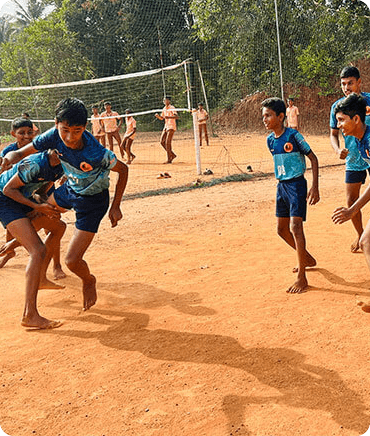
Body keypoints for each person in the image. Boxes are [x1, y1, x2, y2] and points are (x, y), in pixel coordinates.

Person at [0, 97, 129, 319]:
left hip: (93, 202)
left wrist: (116, 206)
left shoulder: (96, 153)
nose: (69, 138)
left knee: (72, 261)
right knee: (44, 214)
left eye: (77, 131)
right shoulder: (49, 141)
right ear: (56, 124)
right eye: (65, 130)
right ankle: (17, 244)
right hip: (69, 190)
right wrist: (8, 158)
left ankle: (88, 280)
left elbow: (123, 169)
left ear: (85, 128)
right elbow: (20, 154)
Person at [0, 149, 67, 329]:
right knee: (37, 251)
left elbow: (43, 188)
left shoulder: (62, 164)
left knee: (59, 227)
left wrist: (42, 204)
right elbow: (7, 190)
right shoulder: (36, 163)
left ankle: (41, 279)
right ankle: (30, 315)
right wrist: (36, 205)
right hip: (5, 198)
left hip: (23, 198)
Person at [261, 97, 320, 294]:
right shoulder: (270, 141)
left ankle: (302, 277)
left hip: (296, 185)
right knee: (281, 229)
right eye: (263, 116)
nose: (265, 119)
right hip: (282, 187)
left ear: (280, 116)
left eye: (268, 115)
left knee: (296, 227)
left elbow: (313, 158)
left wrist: (314, 187)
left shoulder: (294, 136)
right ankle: (307, 259)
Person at [0, 117, 66, 279]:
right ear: (13, 134)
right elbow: (7, 166)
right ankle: (10, 251)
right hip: (17, 192)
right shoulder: (10, 152)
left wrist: (41, 201)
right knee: (17, 226)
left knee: (52, 223)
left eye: (30, 132)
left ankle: (56, 265)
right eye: (21, 133)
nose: (26, 136)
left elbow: (48, 177)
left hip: (42, 187)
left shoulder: (39, 149)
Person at [330, 66, 370, 253]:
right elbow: (333, 134)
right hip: (354, 157)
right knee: (351, 199)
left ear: (359, 82)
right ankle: (362, 236)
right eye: (343, 84)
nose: (346, 87)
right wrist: (338, 149)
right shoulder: (337, 107)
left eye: (350, 83)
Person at [332, 94, 370, 286]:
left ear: (356, 119)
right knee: (366, 242)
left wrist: (352, 210)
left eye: (341, 120)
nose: (339, 125)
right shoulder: (363, 142)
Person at [155, 96, 178, 163]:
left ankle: (169, 159)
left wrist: (168, 117)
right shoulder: (164, 108)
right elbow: (162, 118)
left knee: (168, 143)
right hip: (166, 126)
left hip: (171, 126)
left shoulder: (172, 108)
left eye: (166, 100)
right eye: (164, 100)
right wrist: (158, 116)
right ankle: (172, 154)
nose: (165, 101)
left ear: (169, 101)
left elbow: (176, 116)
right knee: (162, 142)